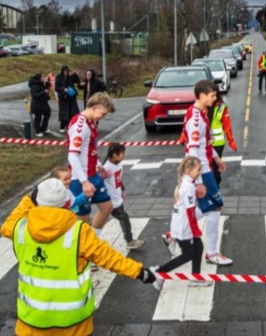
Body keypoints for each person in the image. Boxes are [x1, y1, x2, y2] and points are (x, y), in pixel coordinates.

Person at [1, 178, 156, 336]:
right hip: (72, 321)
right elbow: (109, 257)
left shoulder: (20, 229)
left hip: (32, 320)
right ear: (67, 203)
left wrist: (28, 199)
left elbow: (6, 226)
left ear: (36, 201)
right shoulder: (78, 232)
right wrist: (139, 272)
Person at [181, 79, 231, 265]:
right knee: (215, 205)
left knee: (212, 207)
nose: (215, 98)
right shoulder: (195, 119)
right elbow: (193, 152)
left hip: (206, 167)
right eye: (212, 95)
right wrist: (199, 181)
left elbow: (206, 142)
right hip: (201, 170)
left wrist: (217, 158)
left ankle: (174, 233)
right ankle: (211, 252)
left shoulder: (201, 113)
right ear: (202, 95)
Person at [152, 157, 213, 290]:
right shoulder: (188, 187)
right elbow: (190, 213)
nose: (199, 172)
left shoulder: (188, 183)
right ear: (188, 170)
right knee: (189, 254)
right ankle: (160, 272)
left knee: (198, 247)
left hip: (182, 225)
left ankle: (195, 277)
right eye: (198, 169)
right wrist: (195, 231)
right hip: (184, 227)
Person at [67, 92, 116, 244]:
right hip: (80, 178)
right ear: (94, 108)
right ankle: (79, 251)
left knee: (107, 207)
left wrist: (98, 165)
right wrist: (84, 182)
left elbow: (88, 150)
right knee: (82, 218)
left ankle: (91, 244)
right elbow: (72, 156)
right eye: (102, 114)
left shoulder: (91, 122)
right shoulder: (80, 126)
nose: (103, 117)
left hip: (93, 174)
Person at [102, 143, 145, 250]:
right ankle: (129, 241)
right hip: (110, 201)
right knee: (124, 218)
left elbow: (118, 179)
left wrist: (122, 189)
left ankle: (129, 240)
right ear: (113, 155)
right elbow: (98, 182)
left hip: (117, 198)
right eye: (121, 154)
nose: (123, 156)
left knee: (122, 218)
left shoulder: (119, 165)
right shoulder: (106, 168)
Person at [209, 92, 237, 185]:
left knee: (213, 168)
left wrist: (231, 142)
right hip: (210, 143)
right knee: (210, 167)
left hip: (216, 144)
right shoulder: (203, 106)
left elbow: (227, 127)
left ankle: (215, 185)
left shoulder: (221, 108)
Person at [55, 65, 80, 132]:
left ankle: (69, 125)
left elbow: (77, 81)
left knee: (71, 111)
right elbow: (56, 88)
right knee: (64, 111)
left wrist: (74, 74)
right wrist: (64, 89)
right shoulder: (59, 77)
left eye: (67, 71)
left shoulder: (70, 77)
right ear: (62, 71)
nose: (66, 72)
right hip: (63, 97)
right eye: (65, 71)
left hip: (71, 96)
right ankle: (62, 126)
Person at [28, 73, 52, 137]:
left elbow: (47, 87)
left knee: (48, 113)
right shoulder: (34, 86)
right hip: (37, 104)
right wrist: (44, 92)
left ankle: (44, 128)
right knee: (38, 117)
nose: (43, 78)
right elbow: (35, 95)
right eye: (42, 77)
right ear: (39, 78)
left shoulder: (42, 83)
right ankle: (37, 130)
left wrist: (47, 83)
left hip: (44, 103)